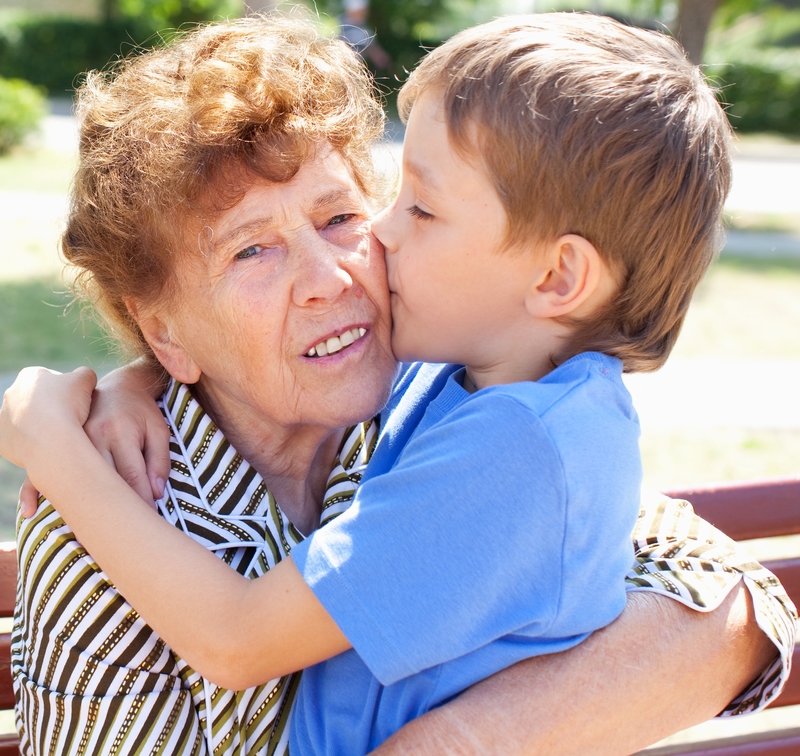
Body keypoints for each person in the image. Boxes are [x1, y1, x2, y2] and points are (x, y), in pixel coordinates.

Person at [0, 12, 794, 756]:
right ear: (163, 328)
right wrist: (131, 386)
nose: (335, 272)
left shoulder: (456, 406)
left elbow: (713, 577)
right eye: (251, 251)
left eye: (342, 215)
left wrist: (474, 741)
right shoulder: (107, 542)